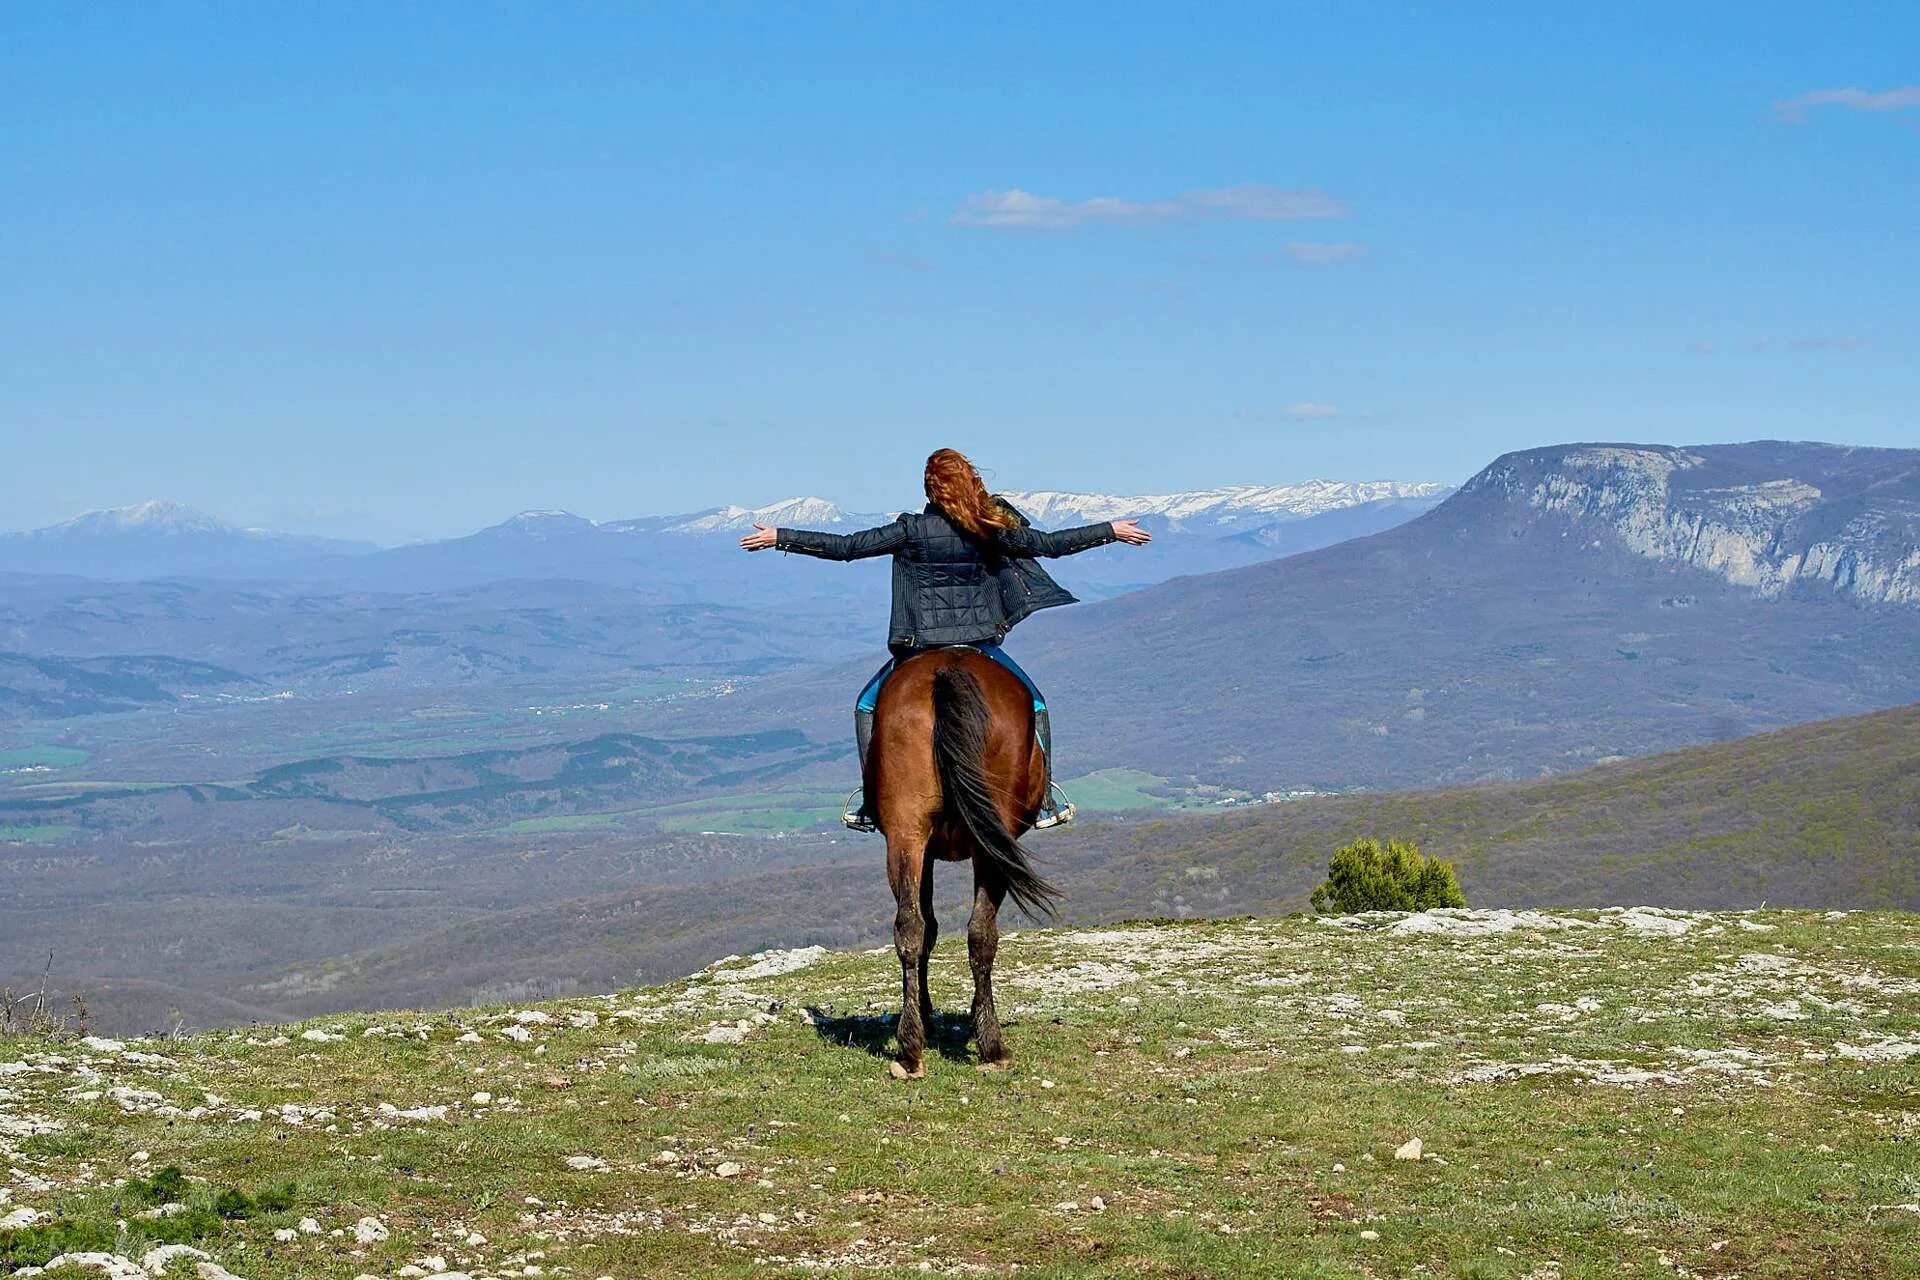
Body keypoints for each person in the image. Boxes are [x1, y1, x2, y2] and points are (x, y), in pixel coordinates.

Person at [741, 447, 1152, 830]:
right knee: (1037, 704)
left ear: (929, 489)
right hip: (980, 646)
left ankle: (872, 801)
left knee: (866, 706)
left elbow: (847, 547)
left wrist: (780, 537)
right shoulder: (990, 529)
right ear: (971, 483)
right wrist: (1110, 530)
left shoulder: (910, 530)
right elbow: (1050, 545)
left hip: (920, 646)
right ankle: (1044, 797)